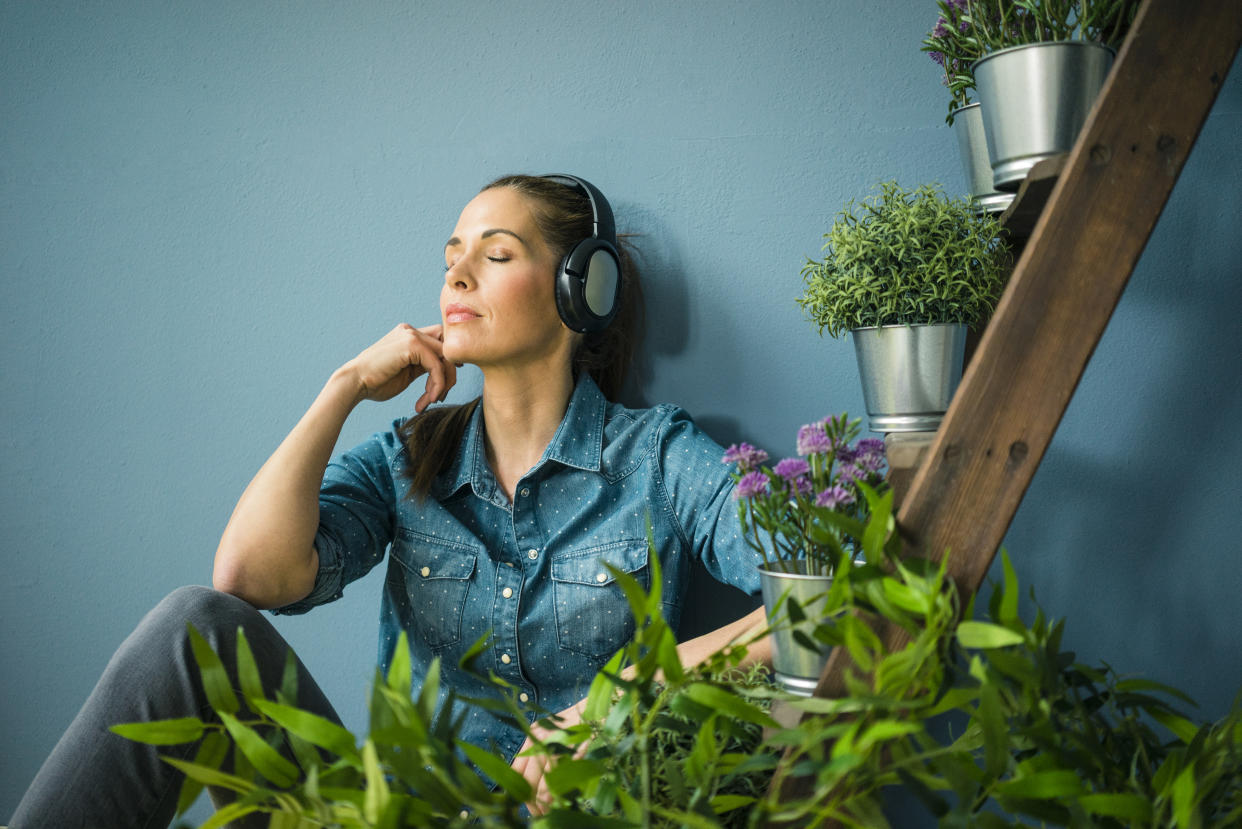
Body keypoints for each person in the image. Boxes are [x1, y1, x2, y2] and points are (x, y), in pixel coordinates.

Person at [10, 173, 769, 827]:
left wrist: (634, 689)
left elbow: (830, 598)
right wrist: (343, 390)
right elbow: (247, 578)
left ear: (584, 288)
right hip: (394, 816)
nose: (458, 276)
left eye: (495, 254)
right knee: (193, 626)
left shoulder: (658, 459)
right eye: (451, 258)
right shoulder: (409, 460)